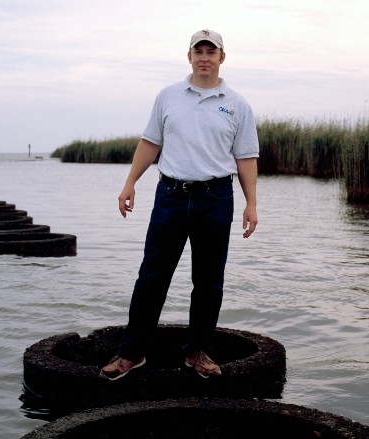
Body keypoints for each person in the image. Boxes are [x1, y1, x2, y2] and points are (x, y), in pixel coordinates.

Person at [100, 29, 259, 381]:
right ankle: (131, 353)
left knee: (208, 282)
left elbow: (246, 158)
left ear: (222, 57)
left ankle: (197, 353)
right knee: (152, 277)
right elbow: (149, 143)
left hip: (216, 198)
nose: (205, 57)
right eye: (198, 51)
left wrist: (251, 204)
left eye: (211, 51)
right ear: (189, 56)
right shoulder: (168, 96)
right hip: (170, 196)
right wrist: (129, 183)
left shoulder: (237, 104)